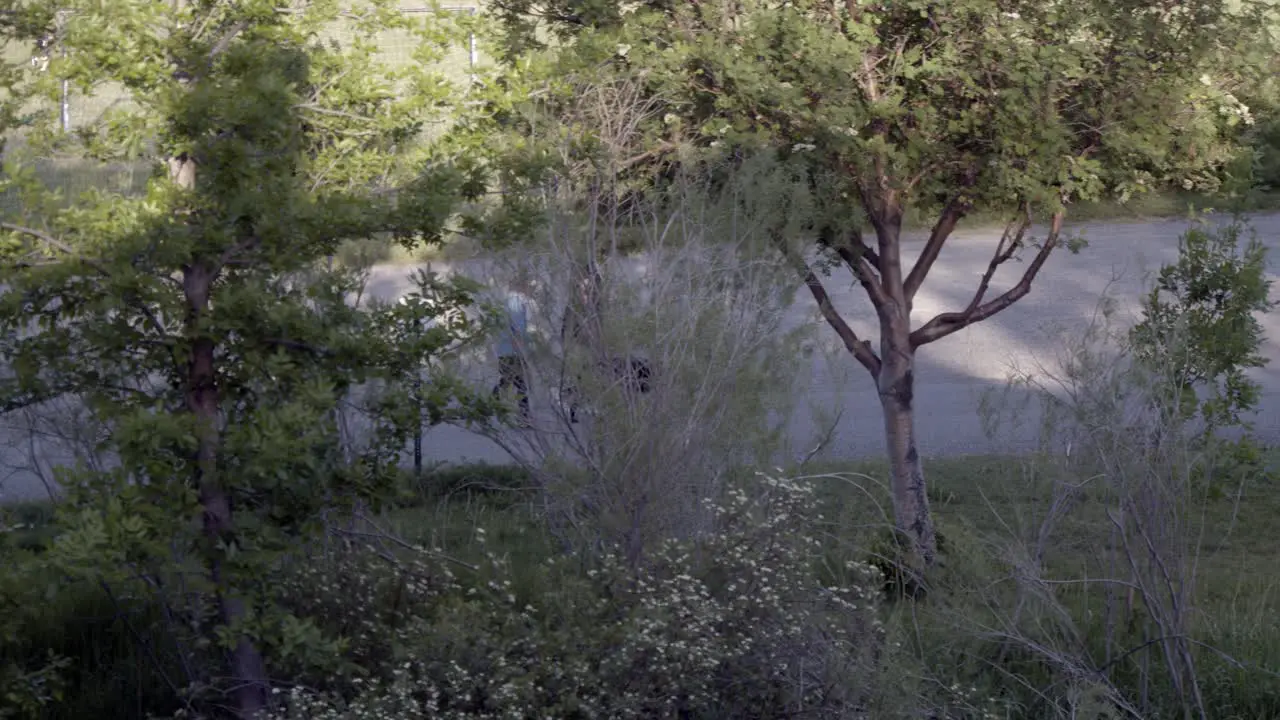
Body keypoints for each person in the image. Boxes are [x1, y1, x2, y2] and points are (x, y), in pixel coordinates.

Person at [492, 285, 531, 423]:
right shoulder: (516, 302)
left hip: (505, 349)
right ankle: (524, 415)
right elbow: (518, 328)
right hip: (512, 350)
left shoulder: (508, 300)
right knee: (520, 383)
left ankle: (493, 400)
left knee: (508, 379)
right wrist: (521, 350)